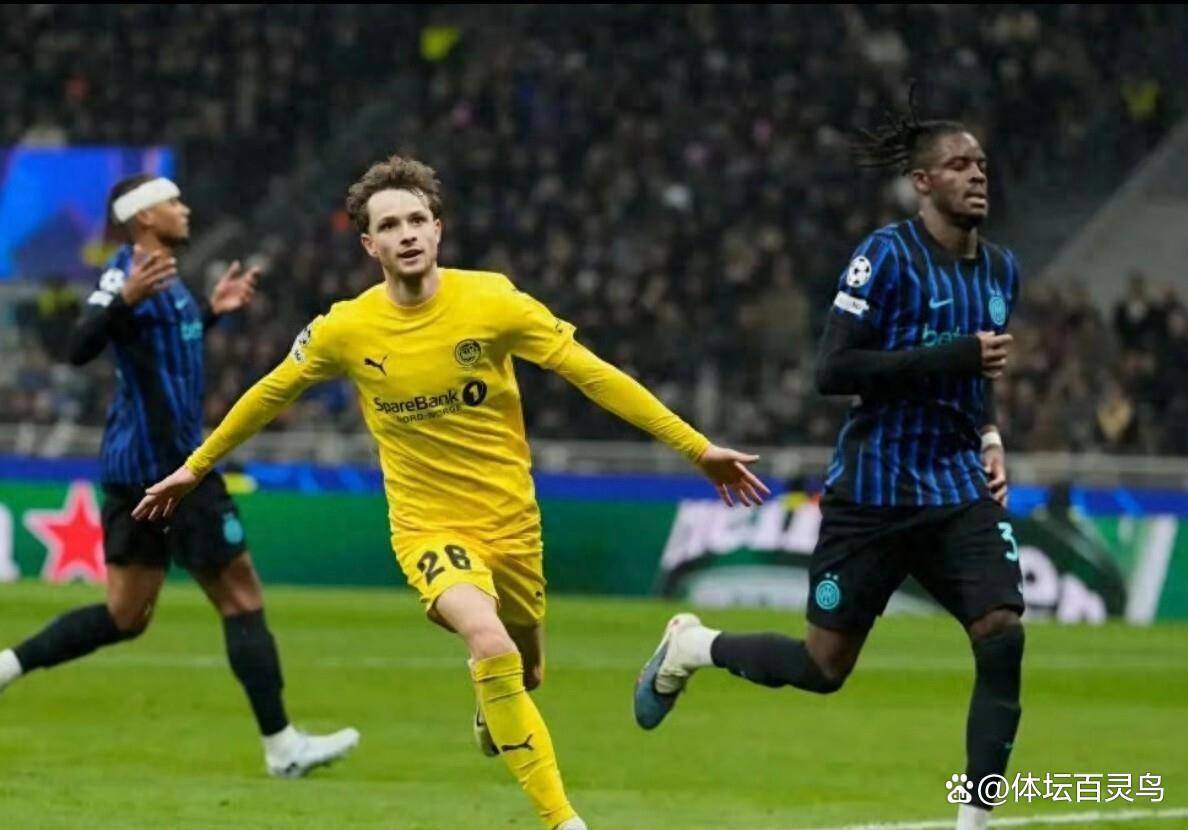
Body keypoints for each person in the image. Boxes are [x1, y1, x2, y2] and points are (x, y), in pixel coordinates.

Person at [131, 155, 769, 830]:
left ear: (437, 228)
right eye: (388, 225)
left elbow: (593, 374)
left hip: (512, 525)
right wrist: (195, 467)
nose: (406, 234)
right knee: (489, 643)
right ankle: (563, 820)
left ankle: (495, 705)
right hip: (427, 529)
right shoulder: (346, 328)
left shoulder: (492, 301)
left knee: (525, 674)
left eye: (416, 220)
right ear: (368, 244)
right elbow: (269, 394)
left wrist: (696, 447)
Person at [634, 100, 1023, 830]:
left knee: (1002, 632)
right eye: (958, 165)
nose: (977, 176)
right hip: (873, 491)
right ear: (922, 182)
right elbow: (833, 369)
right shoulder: (885, 257)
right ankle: (693, 646)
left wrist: (991, 434)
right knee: (823, 668)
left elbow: (981, 372)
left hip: (956, 488)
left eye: (981, 165)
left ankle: (974, 822)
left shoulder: (1001, 270)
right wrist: (954, 356)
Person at [0, 174, 359, 778]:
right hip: (174, 470)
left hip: (135, 469)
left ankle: (6, 666)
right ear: (145, 217)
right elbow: (79, 345)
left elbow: (164, 350)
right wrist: (122, 299)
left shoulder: (167, 278)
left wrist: (212, 313)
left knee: (124, 615)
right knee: (240, 594)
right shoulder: (127, 273)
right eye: (172, 202)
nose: (184, 209)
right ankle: (283, 747)